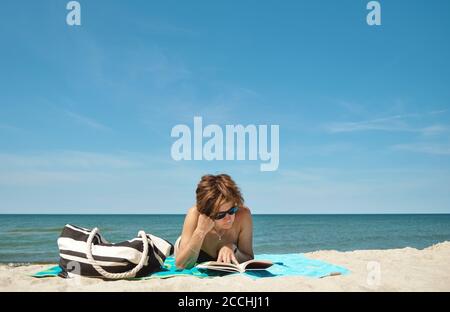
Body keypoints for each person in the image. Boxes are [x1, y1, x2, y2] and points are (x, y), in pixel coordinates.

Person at [174, 174, 254, 269]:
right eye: (220, 215)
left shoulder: (243, 215)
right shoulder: (194, 214)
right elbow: (181, 265)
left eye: (232, 210)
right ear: (206, 213)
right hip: (186, 243)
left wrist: (232, 249)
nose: (228, 218)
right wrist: (200, 232)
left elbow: (249, 258)